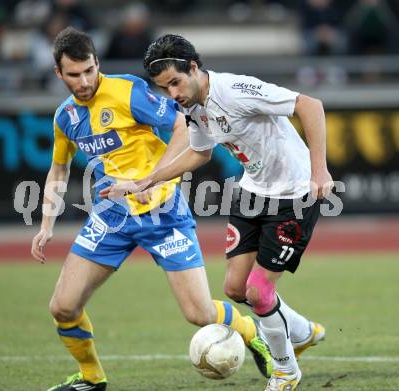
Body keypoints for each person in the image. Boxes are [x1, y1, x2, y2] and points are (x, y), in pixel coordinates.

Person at [31, 27, 272, 391]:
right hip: (112, 217)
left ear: (97, 63)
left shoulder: (127, 91)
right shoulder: (65, 117)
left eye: (89, 71)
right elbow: (59, 167)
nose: (84, 81)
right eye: (74, 75)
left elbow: (179, 126)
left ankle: (252, 332)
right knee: (62, 307)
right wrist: (47, 223)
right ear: (58, 74)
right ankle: (92, 379)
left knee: (200, 314)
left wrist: (154, 180)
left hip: (163, 213)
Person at [102, 34, 334, 391]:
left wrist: (320, 170)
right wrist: (145, 182)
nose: (173, 94)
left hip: (294, 195)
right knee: (235, 288)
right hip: (253, 193)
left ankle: (286, 370)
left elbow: (311, 105)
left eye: (176, 82)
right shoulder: (193, 108)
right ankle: (301, 332)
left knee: (258, 292)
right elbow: (199, 153)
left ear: (194, 68)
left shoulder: (236, 90)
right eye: (165, 88)